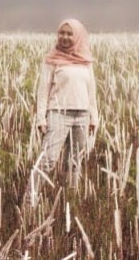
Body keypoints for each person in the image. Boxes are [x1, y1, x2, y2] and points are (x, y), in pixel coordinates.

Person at [26, 18, 100, 206]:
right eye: (62, 33)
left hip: (82, 114)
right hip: (58, 113)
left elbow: (91, 90)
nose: (65, 37)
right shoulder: (51, 59)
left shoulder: (86, 60)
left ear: (78, 36)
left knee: (75, 161)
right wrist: (41, 118)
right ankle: (30, 201)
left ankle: (71, 202)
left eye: (70, 33)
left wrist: (94, 116)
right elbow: (43, 90)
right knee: (48, 160)